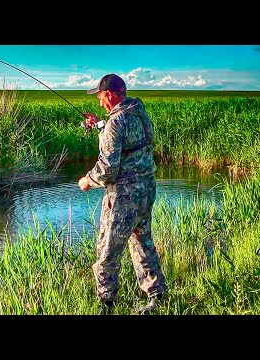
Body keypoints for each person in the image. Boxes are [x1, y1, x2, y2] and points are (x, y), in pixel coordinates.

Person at [78, 73, 168, 315]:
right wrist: (99, 125)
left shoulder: (116, 122)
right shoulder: (139, 113)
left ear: (108, 94)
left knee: (107, 249)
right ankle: (157, 294)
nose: (98, 102)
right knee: (142, 243)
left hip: (124, 197)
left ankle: (106, 303)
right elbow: (128, 139)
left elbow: (107, 169)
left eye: (99, 97)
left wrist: (88, 180)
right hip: (146, 190)